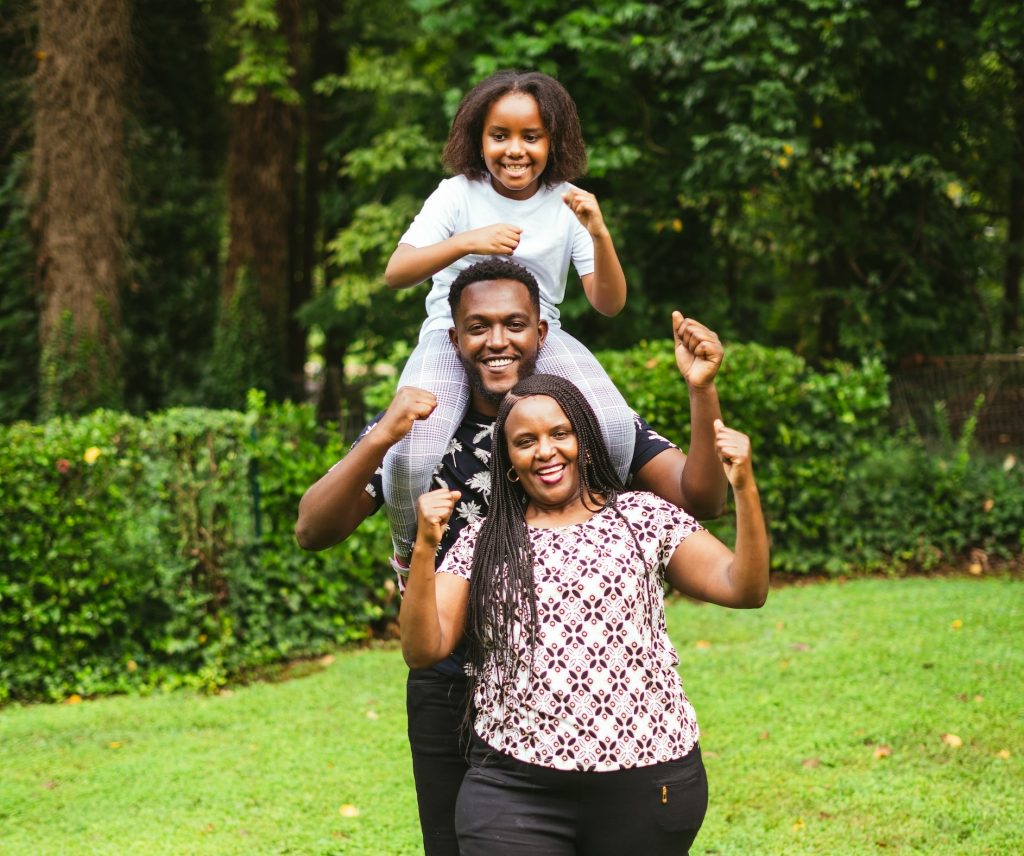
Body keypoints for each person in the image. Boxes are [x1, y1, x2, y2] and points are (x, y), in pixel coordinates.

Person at [295, 259, 729, 856]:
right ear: (454, 339)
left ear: (541, 333)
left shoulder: (580, 425)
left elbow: (703, 498)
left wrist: (701, 393)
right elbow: (312, 529)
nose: (497, 341)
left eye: (514, 324)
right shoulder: (419, 434)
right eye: (478, 326)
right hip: (449, 682)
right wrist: (379, 437)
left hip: (553, 694)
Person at [401, 373, 769, 855]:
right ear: (509, 460)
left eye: (560, 433)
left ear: (586, 440)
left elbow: (743, 587)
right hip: (514, 789)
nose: (546, 451)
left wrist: (744, 488)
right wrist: (426, 547)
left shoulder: (644, 517)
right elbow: (423, 648)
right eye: (525, 441)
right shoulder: (483, 540)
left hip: (647, 779)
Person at [381, 69, 633, 565]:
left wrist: (599, 233)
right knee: (411, 452)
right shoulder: (457, 194)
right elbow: (396, 271)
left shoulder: (566, 201)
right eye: (500, 136)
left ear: (552, 141)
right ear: (479, 139)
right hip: (450, 338)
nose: (514, 150)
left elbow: (609, 303)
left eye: (530, 137)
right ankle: (410, 556)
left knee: (616, 427)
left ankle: (600, 537)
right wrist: (466, 242)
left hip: (541, 338)